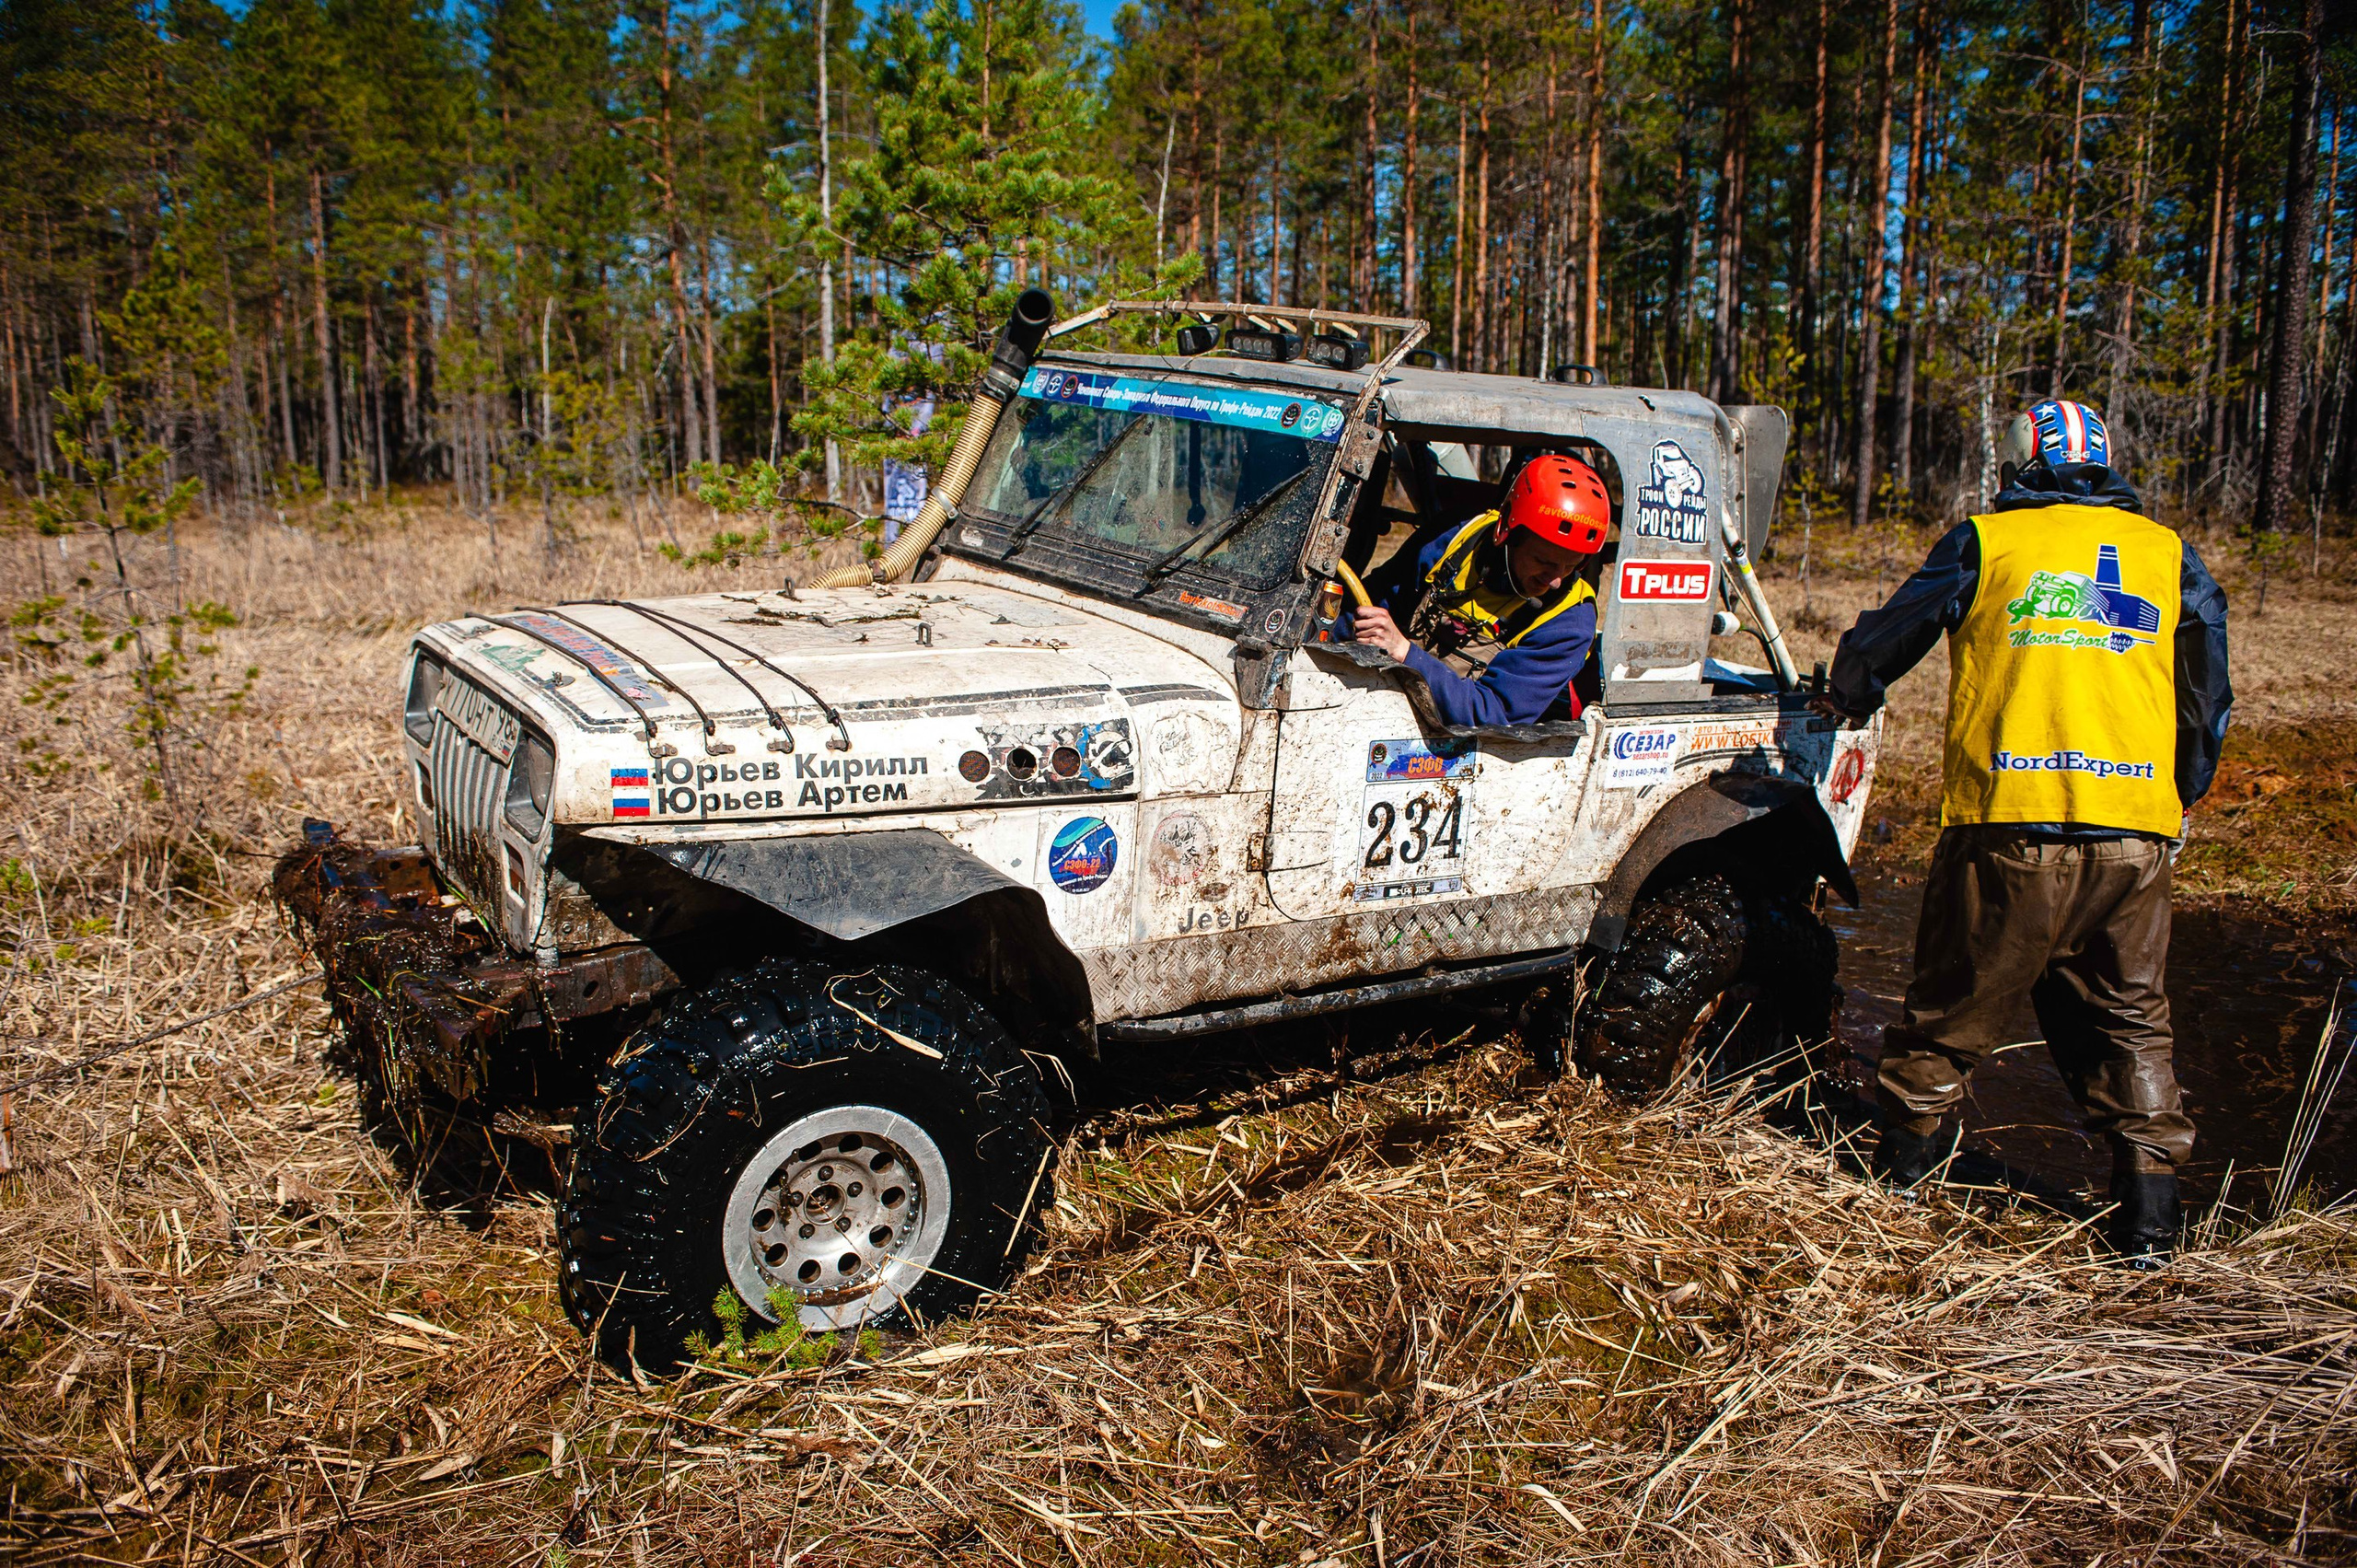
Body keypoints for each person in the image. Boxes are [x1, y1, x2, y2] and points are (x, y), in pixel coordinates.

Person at [1820, 400, 2232, 1268]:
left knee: (1947, 1016)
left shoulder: (1986, 542)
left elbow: (1890, 637)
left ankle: (1891, 1197)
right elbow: (2205, 694)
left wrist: (1848, 687)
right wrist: (2180, 789)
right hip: (2136, 836)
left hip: (2009, 825)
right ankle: (2152, 1234)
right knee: (2131, 1022)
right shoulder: (2169, 554)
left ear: (2016, 465)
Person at [1345, 453, 1609, 727]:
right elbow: (1377, 602)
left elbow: (1493, 715)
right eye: (1544, 561)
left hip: (1471, 750)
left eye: (1571, 566)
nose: (1555, 580)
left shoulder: (1570, 621)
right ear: (1506, 530)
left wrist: (1405, 653)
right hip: (1381, 707)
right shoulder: (1456, 539)